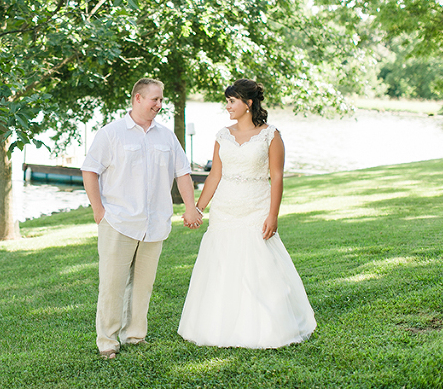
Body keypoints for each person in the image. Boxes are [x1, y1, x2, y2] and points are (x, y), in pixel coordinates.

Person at [178, 79, 316, 349]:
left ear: (248, 103)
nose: (227, 106)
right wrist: (198, 207)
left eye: (232, 101)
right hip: (225, 209)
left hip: (256, 207)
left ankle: (267, 325)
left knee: (260, 265)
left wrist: (273, 216)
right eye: (227, 101)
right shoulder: (222, 135)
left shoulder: (271, 135)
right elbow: (215, 175)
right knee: (221, 264)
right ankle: (218, 326)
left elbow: (276, 178)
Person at [81, 78, 203, 359]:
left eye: (161, 100)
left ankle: (135, 335)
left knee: (143, 285)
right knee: (112, 284)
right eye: (154, 100)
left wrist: (190, 207)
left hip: (155, 223)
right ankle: (107, 341)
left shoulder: (166, 136)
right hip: (119, 221)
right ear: (137, 98)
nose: (159, 105)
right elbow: (90, 170)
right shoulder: (111, 134)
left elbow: (182, 172)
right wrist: (98, 210)